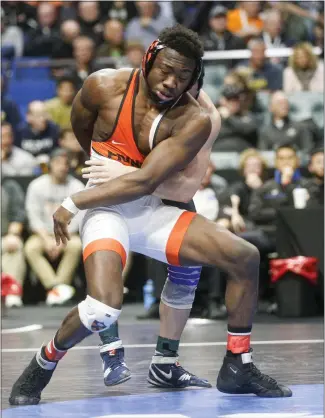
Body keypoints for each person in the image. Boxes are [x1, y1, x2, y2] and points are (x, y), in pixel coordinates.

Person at [10, 25, 291, 406]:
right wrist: (97, 164)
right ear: (148, 60)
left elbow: (151, 183)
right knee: (103, 307)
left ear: (196, 78)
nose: (171, 83)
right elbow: (80, 126)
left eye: (184, 76)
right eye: (166, 70)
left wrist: (77, 199)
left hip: (152, 207)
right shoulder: (102, 86)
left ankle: (237, 364)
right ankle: (43, 362)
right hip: (106, 207)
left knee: (245, 256)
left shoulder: (195, 120)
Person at [24, 149, 84, 306]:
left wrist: (63, 238)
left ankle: (59, 286)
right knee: (31, 247)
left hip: (68, 234)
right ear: (50, 164)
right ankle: (55, 287)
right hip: (43, 234)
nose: (62, 166)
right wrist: (45, 239)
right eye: (58, 162)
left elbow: (80, 217)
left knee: (76, 245)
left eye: (65, 163)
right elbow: (33, 216)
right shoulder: (37, 186)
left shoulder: (76, 186)